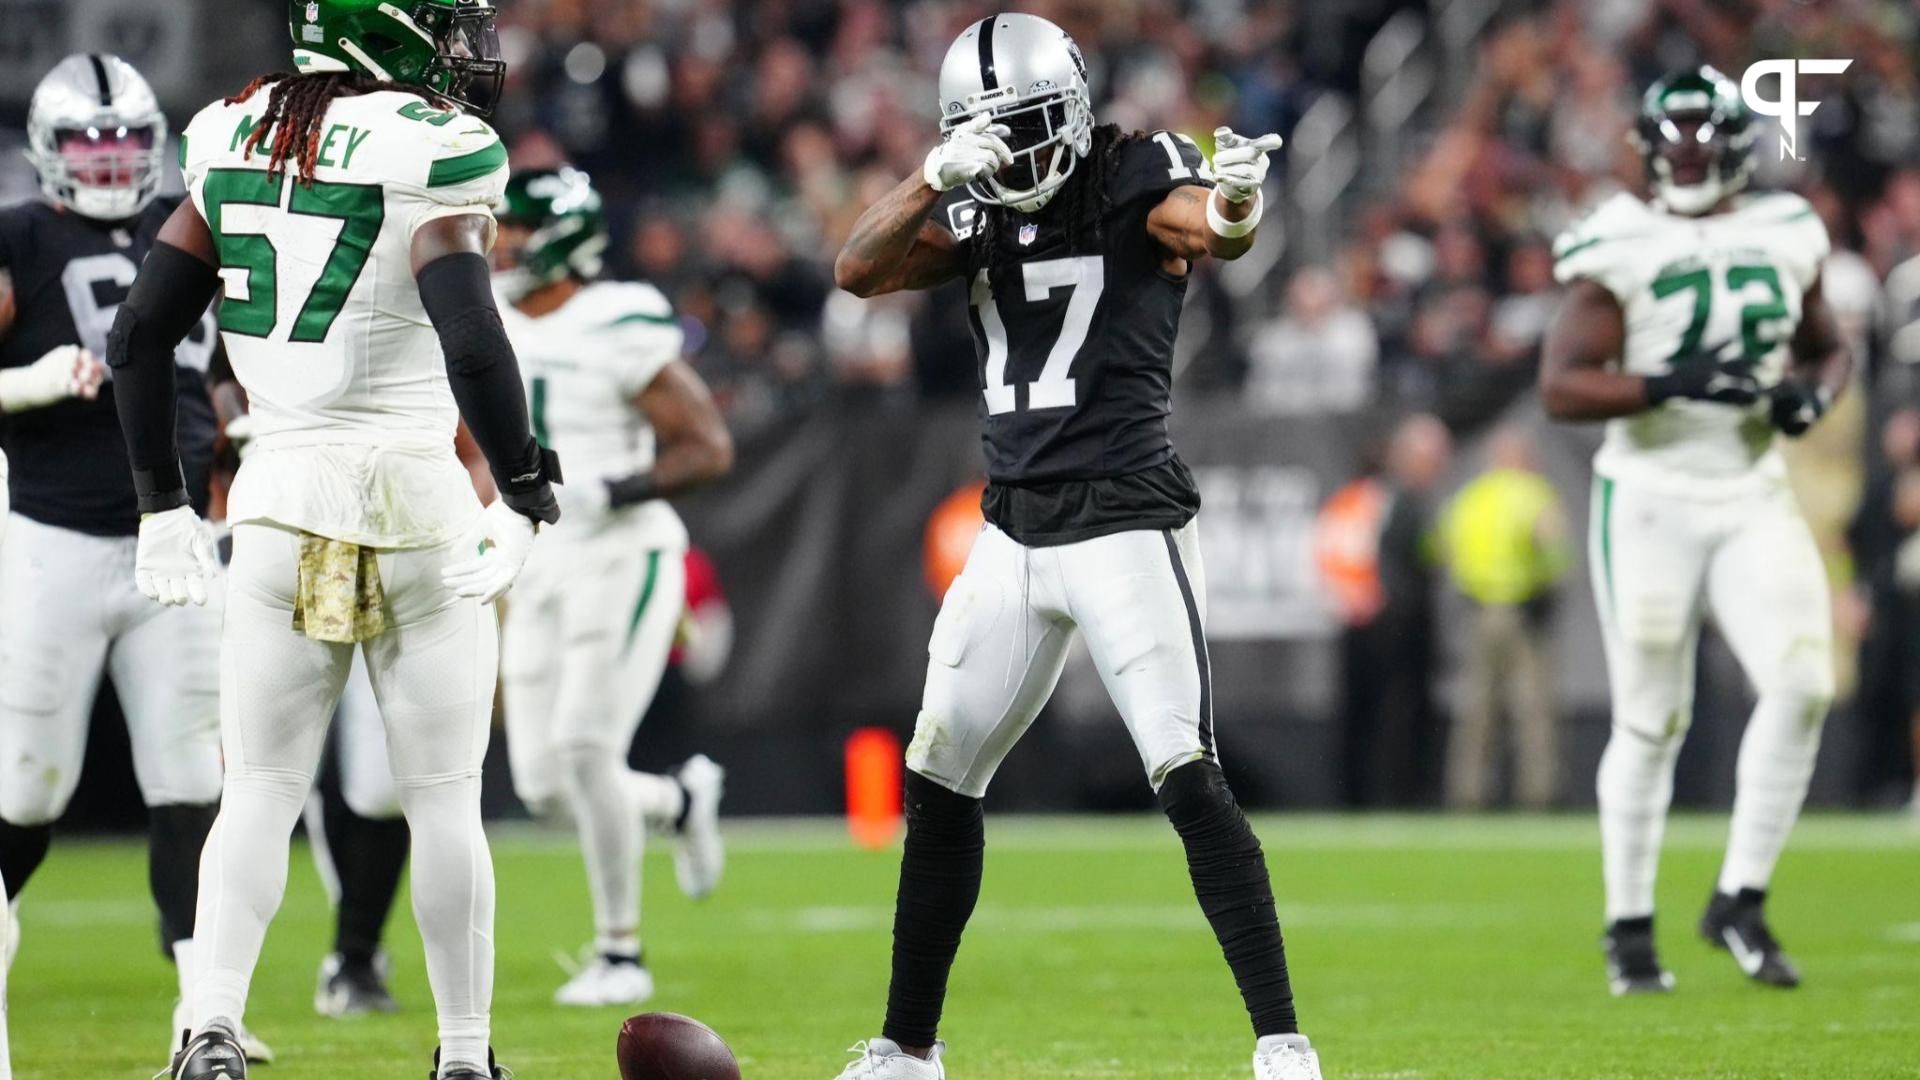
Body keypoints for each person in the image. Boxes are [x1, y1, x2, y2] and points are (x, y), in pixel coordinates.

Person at [829, 13, 1314, 1080]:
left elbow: (1210, 230)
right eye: (994, 136)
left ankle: (1283, 1046)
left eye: (1035, 127)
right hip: (1011, 526)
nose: (1022, 153)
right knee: (940, 773)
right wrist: (927, 176)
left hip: (1125, 518)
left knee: (1184, 771)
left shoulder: (1135, 169)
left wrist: (1236, 202)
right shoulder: (976, 203)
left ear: (1079, 109)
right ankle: (910, 1050)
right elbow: (855, 269)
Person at [106, 2, 559, 1077]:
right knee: (445, 799)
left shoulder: (230, 129)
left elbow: (137, 340)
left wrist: (163, 502)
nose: (464, 53)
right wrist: (525, 489)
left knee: (259, 790)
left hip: (276, 498)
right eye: (444, 27)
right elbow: (473, 340)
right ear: (384, 31)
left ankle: (206, 1026)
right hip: (411, 499)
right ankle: (460, 1057)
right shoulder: (437, 149)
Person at [1542, 66, 1849, 995]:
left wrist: (1813, 397)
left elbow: (1829, 344)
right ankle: (1629, 928)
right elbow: (1562, 384)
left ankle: (1739, 901)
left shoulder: (1786, 229)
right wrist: (1668, 384)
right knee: (1651, 716)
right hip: (1648, 495)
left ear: (1734, 145)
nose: (1683, 155)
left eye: (1699, 138)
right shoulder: (1618, 239)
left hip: (1751, 488)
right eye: (1669, 139)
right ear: (1646, 146)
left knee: (1803, 684)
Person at [0, 52, 271, 1064]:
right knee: (24, 792)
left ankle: (202, 1021)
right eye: (89, 142)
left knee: (190, 785)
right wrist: (28, 386)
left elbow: (234, 361)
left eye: (124, 140)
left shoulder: (200, 218)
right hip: (52, 540)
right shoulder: (21, 234)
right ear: (49, 151)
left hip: (182, 544)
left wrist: (246, 425)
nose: (111, 161)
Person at [1438, 426, 1569, 810]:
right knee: (1533, 709)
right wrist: (1548, 589)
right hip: (1523, 612)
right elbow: (1553, 548)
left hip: (1478, 610)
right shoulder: (1533, 494)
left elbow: (1443, 550)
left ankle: (1468, 792)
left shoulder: (1470, 498)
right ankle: (1539, 793)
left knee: (1477, 709)